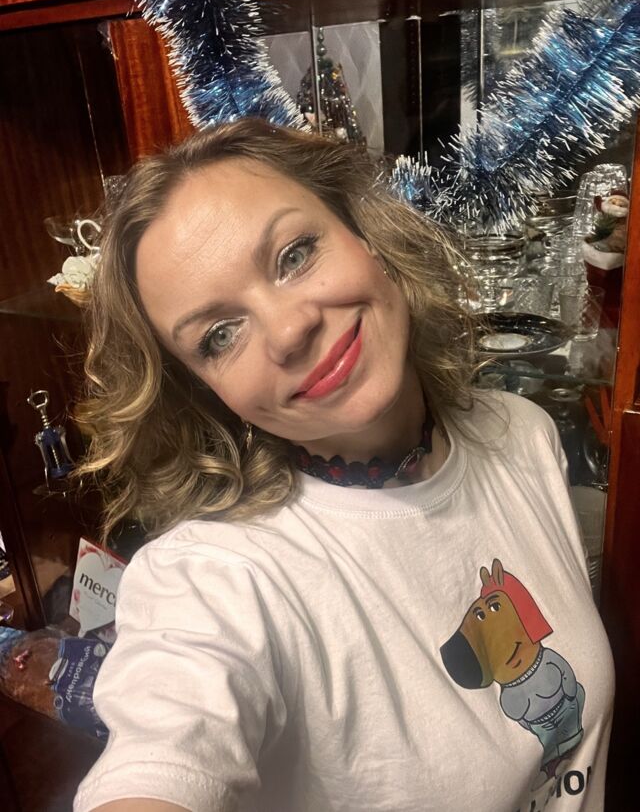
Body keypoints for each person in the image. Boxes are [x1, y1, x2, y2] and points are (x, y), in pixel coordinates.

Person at [73, 118, 613, 812]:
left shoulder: (520, 435)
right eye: (219, 335)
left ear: (365, 234)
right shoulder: (214, 576)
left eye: (295, 254)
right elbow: (159, 755)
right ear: (206, 392)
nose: (289, 328)